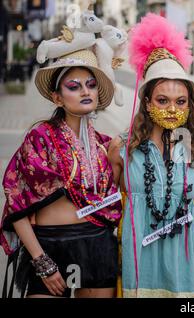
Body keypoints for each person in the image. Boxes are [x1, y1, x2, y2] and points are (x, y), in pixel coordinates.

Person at [108, 13, 194, 298]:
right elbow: (109, 209)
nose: (172, 109)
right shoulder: (121, 148)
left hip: (185, 263)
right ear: (146, 101)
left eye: (180, 101)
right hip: (138, 261)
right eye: (162, 100)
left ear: (189, 104)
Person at [0, 47, 122, 297]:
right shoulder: (41, 138)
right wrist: (41, 261)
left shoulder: (105, 145)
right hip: (50, 247)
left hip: (97, 245)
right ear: (57, 97)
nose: (85, 91)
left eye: (90, 84)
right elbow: (16, 203)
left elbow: (116, 199)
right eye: (74, 86)